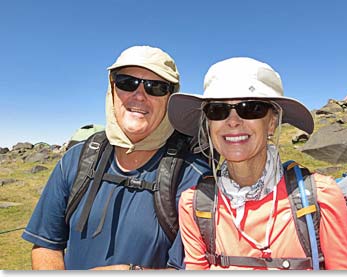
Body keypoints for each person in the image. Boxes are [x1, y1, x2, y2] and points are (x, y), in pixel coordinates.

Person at [21, 45, 211, 270]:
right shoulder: (77, 159)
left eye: (156, 87)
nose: (139, 95)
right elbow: (47, 244)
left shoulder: (192, 175)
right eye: (126, 82)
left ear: (170, 98)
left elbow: (192, 268)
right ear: (112, 89)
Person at [167, 57, 347, 270]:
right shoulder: (194, 205)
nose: (233, 121)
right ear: (209, 124)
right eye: (218, 110)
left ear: (272, 123)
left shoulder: (320, 197)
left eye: (251, 109)